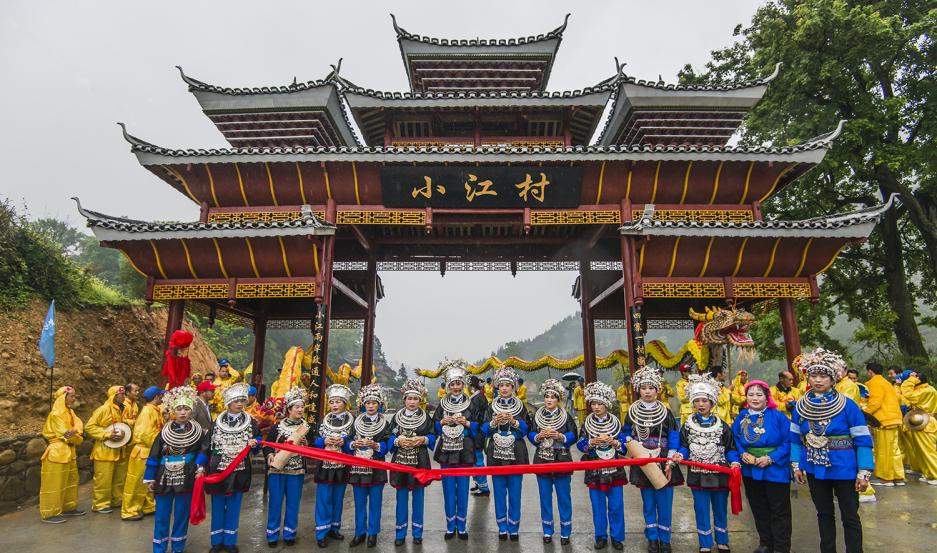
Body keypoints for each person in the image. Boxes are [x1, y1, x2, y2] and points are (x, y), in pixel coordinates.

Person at [790, 348, 873, 553]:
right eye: (814, 375)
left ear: (833, 378)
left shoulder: (848, 406)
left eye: (823, 376)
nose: (818, 380)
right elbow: (795, 440)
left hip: (844, 467)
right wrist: (796, 465)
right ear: (807, 377)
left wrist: (864, 472)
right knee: (823, 514)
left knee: (850, 515)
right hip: (814, 465)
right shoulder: (801, 406)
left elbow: (863, 440)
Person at [673, 374, 740, 553]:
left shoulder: (723, 425)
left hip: (719, 473)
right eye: (697, 401)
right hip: (697, 473)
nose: (701, 404)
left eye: (705, 400)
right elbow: (684, 446)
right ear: (693, 403)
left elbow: (730, 448)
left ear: (712, 402)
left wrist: (734, 462)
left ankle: (722, 540)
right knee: (701, 509)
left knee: (720, 509)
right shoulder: (687, 425)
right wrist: (680, 454)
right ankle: (705, 542)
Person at [623, 367, 683, 553]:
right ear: (638, 390)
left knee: (664, 501)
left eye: (651, 388)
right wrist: (629, 442)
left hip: (664, 459)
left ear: (658, 390)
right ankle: (652, 538)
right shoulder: (632, 412)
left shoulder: (666, 412)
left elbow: (674, 434)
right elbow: (625, 433)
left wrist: (671, 457)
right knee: (648, 501)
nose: (647, 391)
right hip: (642, 460)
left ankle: (665, 539)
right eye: (644, 388)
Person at [145, 386, 207, 553]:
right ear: (173, 410)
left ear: (191, 411)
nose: (182, 412)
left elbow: (203, 450)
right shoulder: (164, 432)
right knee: (162, 514)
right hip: (164, 475)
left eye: (186, 409)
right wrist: (150, 477)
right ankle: (159, 547)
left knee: (181, 514)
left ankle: (178, 547)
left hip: (187, 475)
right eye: (179, 408)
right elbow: (154, 455)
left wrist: (200, 467)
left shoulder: (198, 432)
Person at [731, 380, 792, 553]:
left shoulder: (778, 416)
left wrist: (771, 458)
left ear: (767, 397)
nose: (755, 398)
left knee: (779, 509)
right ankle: (765, 543)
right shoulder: (742, 416)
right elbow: (734, 438)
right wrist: (743, 453)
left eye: (759, 395)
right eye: (751, 395)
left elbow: (788, 441)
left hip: (775, 470)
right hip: (751, 469)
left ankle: (781, 547)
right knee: (759, 507)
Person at [205, 382, 261, 553]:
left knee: (234, 505)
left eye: (242, 401)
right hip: (218, 469)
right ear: (228, 402)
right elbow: (206, 445)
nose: (239, 404)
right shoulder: (217, 422)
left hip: (240, 469)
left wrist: (255, 443)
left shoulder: (250, 421)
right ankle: (216, 541)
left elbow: (258, 440)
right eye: (236, 401)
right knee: (217, 504)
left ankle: (230, 540)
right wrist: (201, 466)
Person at [577, 381, 627, 551]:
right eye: (593, 404)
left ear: (606, 404)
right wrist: (592, 442)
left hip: (614, 468)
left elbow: (625, 446)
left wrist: (615, 442)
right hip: (594, 469)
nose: (596, 407)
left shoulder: (616, 423)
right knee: (598, 506)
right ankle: (600, 536)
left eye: (599, 404)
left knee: (616, 505)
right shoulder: (586, 424)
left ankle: (617, 537)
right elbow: (580, 444)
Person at [528, 378, 578, 545]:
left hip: (562, 458)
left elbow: (574, 435)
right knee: (545, 498)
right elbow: (530, 434)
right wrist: (538, 436)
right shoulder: (537, 416)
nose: (549, 400)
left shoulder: (566, 417)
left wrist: (561, 436)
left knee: (564, 497)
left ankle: (565, 531)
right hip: (542, 459)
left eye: (553, 397)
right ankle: (547, 530)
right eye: (547, 396)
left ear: (558, 399)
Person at [482, 367, 530, 541]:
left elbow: (526, 430)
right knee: (500, 491)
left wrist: (514, 422)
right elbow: (484, 429)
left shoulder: (521, 406)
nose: (504, 388)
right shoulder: (490, 407)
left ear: (513, 387)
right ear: (497, 387)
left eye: (507, 385)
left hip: (516, 453)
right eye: (501, 385)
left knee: (515, 492)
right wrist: (494, 422)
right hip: (496, 453)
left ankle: (514, 527)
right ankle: (502, 527)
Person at [433, 361, 479, 540]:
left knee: (463, 489)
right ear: (448, 386)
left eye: (458, 383)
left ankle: (462, 525)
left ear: (463, 385)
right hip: (446, 451)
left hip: (465, 450)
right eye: (452, 384)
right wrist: (441, 423)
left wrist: (467, 423)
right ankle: (450, 525)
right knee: (448, 489)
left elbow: (480, 426)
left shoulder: (471, 405)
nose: (456, 387)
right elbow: (433, 427)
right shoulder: (442, 406)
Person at [389, 379, 436, 546]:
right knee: (401, 498)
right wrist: (397, 441)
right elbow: (389, 437)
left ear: (420, 400)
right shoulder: (396, 417)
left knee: (418, 497)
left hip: (419, 462)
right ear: (404, 400)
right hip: (400, 462)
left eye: (415, 399)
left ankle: (417, 533)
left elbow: (432, 436)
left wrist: (423, 439)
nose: (412, 402)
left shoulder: (425, 418)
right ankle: (400, 533)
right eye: (409, 398)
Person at [345, 383, 392, 548]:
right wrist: (353, 444)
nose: (371, 406)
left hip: (376, 468)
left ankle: (373, 533)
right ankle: (359, 532)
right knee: (359, 502)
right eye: (368, 403)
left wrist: (375, 445)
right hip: (358, 468)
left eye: (374, 403)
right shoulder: (355, 422)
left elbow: (387, 445)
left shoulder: (385, 424)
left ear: (379, 405)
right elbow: (347, 443)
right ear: (363, 405)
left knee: (375, 502)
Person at [263, 387, 310, 547]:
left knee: (293, 503)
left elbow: (313, 449)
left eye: (302, 406)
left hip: (296, 470)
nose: (300, 409)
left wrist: (306, 444)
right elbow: (268, 445)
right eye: (297, 407)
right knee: (275, 502)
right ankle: (272, 535)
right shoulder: (277, 427)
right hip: (277, 470)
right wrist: (269, 455)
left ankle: (290, 534)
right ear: (289, 409)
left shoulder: (306, 428)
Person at [313, 384, 354, 548]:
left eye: (338, 402)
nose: (335, 405)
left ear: (345, 403)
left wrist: (345, 442)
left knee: (338, 498)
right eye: (332, 402)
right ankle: (321, 532)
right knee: (323, 498)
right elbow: (315, 440)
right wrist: (324, 441)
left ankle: (334, 528)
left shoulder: (352, 421)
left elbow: (354, 441)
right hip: (325, 465)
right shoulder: (324, 421)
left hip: (342, 465)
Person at [39, 386, 86, 523]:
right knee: (54, 484)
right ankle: (50, 513)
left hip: (69, 451)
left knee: (71, 481)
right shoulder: (56, 414)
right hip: (57, 451)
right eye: (71, 396)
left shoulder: (70, 412)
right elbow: (65, 434)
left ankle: (68, 507)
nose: (74, 398)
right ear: (62, 398)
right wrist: (77, 436)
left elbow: (78, 427)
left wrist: (75, 434)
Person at [122, 386, 165, 520]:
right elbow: (145, 434)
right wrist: (160, 444)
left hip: (148, 451)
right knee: (136, 482)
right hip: (143, 451)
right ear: (156, 397)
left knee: (146, 482)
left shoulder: (153, 410)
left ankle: (148, 506)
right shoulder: (147, 411)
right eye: (161, 396)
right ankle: (129, 510)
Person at [86, 385, 130, 513]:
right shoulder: (103, 410)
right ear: (113, 396)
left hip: (119, 449)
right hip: (104, 450)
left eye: (124, 394)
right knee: (103, 479)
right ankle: (100, 504)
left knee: (119, 478)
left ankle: (117, 500)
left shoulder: (122, 409)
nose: (124, 397)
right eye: (121, 395)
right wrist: (106, 434)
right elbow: (89, 427)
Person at [862, 362, 904, 486]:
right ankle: (897, 477)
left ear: (870, 372)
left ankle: (887, 478)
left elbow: (875, 402)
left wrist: (863, 414)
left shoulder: (874, 383)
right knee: (894, 450)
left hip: (884, 420)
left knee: (884, 450)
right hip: (894, 419)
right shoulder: (886, 382)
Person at [899, 372, 937, 484]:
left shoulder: (924, 391)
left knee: (928, 451)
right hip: (922, 421)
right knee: (921, 451)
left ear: (918, 380)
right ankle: (929, 474)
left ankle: (935, 475)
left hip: (925, 422)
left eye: (915, 378)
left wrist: (910, 380)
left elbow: (906, 393)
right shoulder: (928, 389)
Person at [468, 376, 491, 497]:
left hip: (477, 432)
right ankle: (478, 482)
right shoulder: (477, 397)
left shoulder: (476, 398)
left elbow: (474, 417)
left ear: (472, 387)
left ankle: (484, 487)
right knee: (474, 459)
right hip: (477, 431)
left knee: (477, 460)